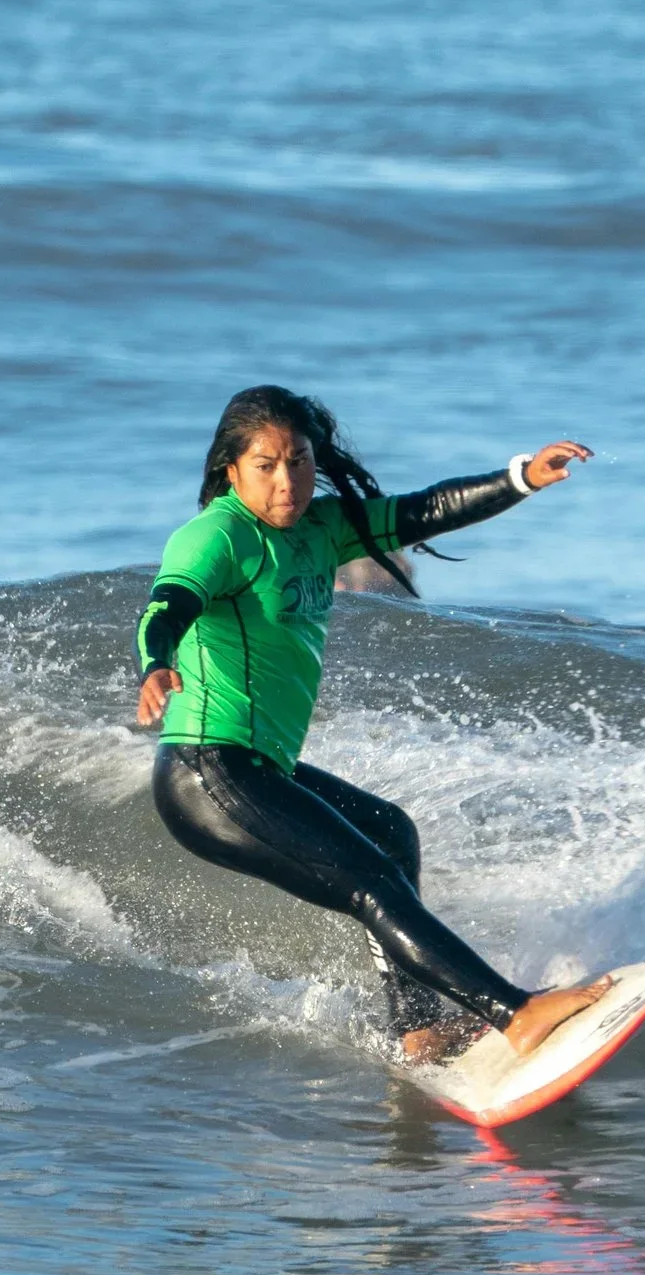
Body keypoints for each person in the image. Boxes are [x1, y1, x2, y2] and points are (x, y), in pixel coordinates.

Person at [135, 384, 611, 1064]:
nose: (285, 480)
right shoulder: (217, 535)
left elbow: (423, 510)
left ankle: (415, 1028)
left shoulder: (321, 528)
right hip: (206, 771)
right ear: (231, 470)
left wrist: (522, 478)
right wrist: (154, 663)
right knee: (368, 882)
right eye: (265, 464)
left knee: (391, 835)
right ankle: (517, 1013)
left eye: (298, 459)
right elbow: (167, 604)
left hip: (258, 765)